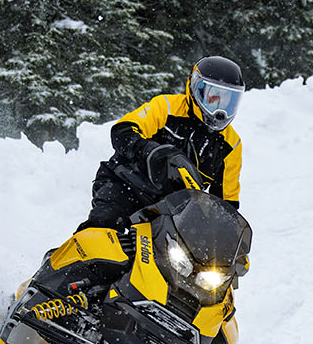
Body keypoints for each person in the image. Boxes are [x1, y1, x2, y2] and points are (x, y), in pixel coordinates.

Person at [81, 55, 246, 232]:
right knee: (104, 228)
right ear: (196, 89)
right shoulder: (166, 107)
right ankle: (76, 256)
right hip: (126, 186)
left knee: (199, 257)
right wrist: (149, 150)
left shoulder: (230, 145)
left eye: (228, 99)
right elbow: (122, 131)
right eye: (214, 96)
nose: (220, 108)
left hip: (173, 211)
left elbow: (226, 207)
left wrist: (225, 237)